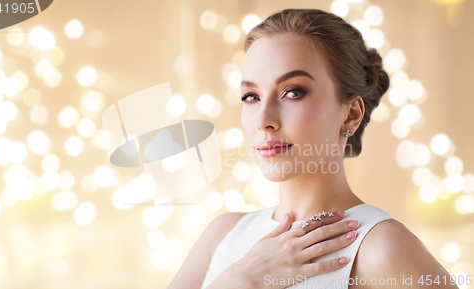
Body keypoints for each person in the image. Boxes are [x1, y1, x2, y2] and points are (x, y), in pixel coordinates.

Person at [168, 8, 459, 289]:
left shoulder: (379, 248)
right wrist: (239, 282)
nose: (264, 120)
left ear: (351, 114)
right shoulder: (222, 235)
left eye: (293, 92)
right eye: (251, 96)